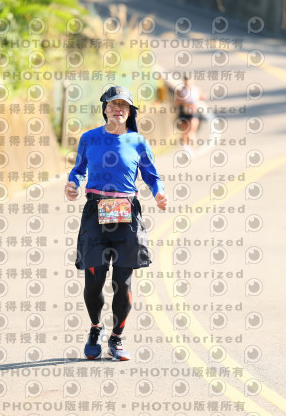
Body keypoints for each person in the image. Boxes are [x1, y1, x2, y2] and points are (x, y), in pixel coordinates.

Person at [64, 86, 168, 361]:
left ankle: (117, 337)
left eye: (123, 105)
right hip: (95, 212)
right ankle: (95, 328)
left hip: (126, 213)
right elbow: (78, 170)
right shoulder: (89, 138)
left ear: (130, 111)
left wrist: (159, 193)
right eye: (113, 104)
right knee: (94, 280)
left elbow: (152, 175)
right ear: (105, 109)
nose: (118, 109)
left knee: (123, 283)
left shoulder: (138, 142)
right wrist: (72, 184)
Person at [174, 74, 205, 155]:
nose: (187, 82)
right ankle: (186, 148)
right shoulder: (180, 91)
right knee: (185, 132)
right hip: (184, 112)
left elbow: (200, 98)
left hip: (193, 112)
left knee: (191, 130)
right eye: (186, 81)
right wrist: (183, 101)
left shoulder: (197, 89)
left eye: (189, 81)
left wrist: (201, 99)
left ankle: (192, 149)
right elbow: (176, 102)